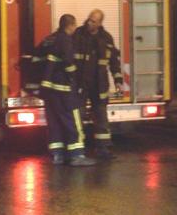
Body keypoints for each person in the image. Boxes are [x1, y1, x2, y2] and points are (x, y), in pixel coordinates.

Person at [37, 14, 96, 166]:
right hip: (64, 90)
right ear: (70, 26)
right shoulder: (65, 40)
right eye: (74, 25)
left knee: (55, 122)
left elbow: (38, 59)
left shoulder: (49, 39)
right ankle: (77, 155)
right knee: (73, 121)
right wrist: (74, 78)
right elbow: (69, 62)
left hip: (50, 90)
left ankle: (58, 155)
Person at [73, 9, 123, 159]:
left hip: (99, 84)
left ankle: (103, 149)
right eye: (89, 19)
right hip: (81, 83)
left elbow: (114, 61)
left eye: (93, 21)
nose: (89, 22)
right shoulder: (78, 34)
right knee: (78, 116)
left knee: (101, 116)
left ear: (100, 23)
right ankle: (77, 149)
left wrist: (118, 80)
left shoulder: (106, 38)